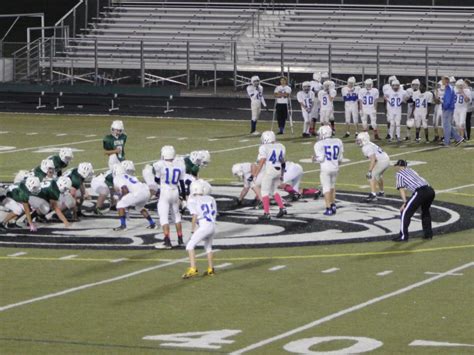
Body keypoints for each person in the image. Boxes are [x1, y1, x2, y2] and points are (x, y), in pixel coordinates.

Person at [182, 180, 217, 279]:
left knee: (189, 246)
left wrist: (192, 230)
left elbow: (195, 216)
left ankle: (193, 269)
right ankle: (211, 269)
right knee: (208, 247)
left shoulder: (192, 199)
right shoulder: (211, 198)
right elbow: (214, 213)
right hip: (212, 224)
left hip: (204, 225)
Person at [393, 160, 435, 242]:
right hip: (430, 190)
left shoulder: (399, 174)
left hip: (421, 192)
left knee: (405, 212)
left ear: (398, 166)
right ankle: (428, 234)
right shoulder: (411, 170)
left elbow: (401, 189)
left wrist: (405, 202)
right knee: (425, 211)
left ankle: (403, 236)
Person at [153, 145, 187, 249]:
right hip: (175, 192)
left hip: (165, 192)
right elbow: (181, 183)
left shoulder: (160, 165)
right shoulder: (179, 165)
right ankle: (180, 239)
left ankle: (167, 241)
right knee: (177, 217)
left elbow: (157, 180)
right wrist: (184, 197)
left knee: (164, 218)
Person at [250, 131, 287, 220]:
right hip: (278, 170)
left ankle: (266, 213)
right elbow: (283, 162)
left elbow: (262, 161)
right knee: (273, 190)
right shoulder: (281, 146)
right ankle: (282, 208)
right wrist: (282, 174)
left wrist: (255, 174)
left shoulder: (264, 147)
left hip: (270, 170)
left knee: (264, 192)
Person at [112, 164, 155, 231]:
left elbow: (125, 190)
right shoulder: (129, 176)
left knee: (120, 204)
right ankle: (152, 224)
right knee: (139, 207)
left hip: (138, 193)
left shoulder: (117, 177)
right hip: (146, 192)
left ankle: (123, 226)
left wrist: (120, 197)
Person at [313, 125, 344, 215]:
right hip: (335, 167)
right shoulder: (338, 141)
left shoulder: (319, 144)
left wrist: (314, 159)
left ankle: (328, 208)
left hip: (325, 168)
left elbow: (321, 158)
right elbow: (340, 158)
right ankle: (333, 205)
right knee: (332, 187)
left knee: (326, 188)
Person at [356, 132, 390, 202]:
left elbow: (373, 160)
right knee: (378, 176)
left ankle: (373, 195)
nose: (358, 141)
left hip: (382, 160)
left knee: (371, 176)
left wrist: (370, 171)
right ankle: (381, 192)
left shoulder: (366, 147)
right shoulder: (369, 144)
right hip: (386, 159)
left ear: (364, 139)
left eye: (359, 140)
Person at [440, 75, 465, 147]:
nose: (442, 81)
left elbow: (447, 101)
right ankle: (458, 138)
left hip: (447, 109)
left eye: (443, 80)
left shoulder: (448, 88)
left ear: (446, 80)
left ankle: (447, 142)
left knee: (446, 126)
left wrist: (444, 107)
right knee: (448, 125)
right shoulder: (449, 88)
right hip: (449, 108)